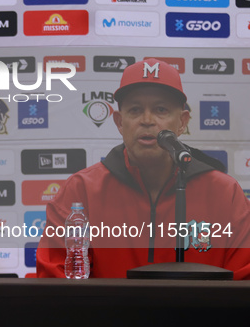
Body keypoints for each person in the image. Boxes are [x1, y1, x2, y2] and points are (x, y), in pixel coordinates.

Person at [37, 58, 250, 279]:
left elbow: (245, 283)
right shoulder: (81, 191)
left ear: (182, 122)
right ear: (120, 122)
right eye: (135, 109)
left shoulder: (225, 194)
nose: (147, 120)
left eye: (161, 109)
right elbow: (56, 284)